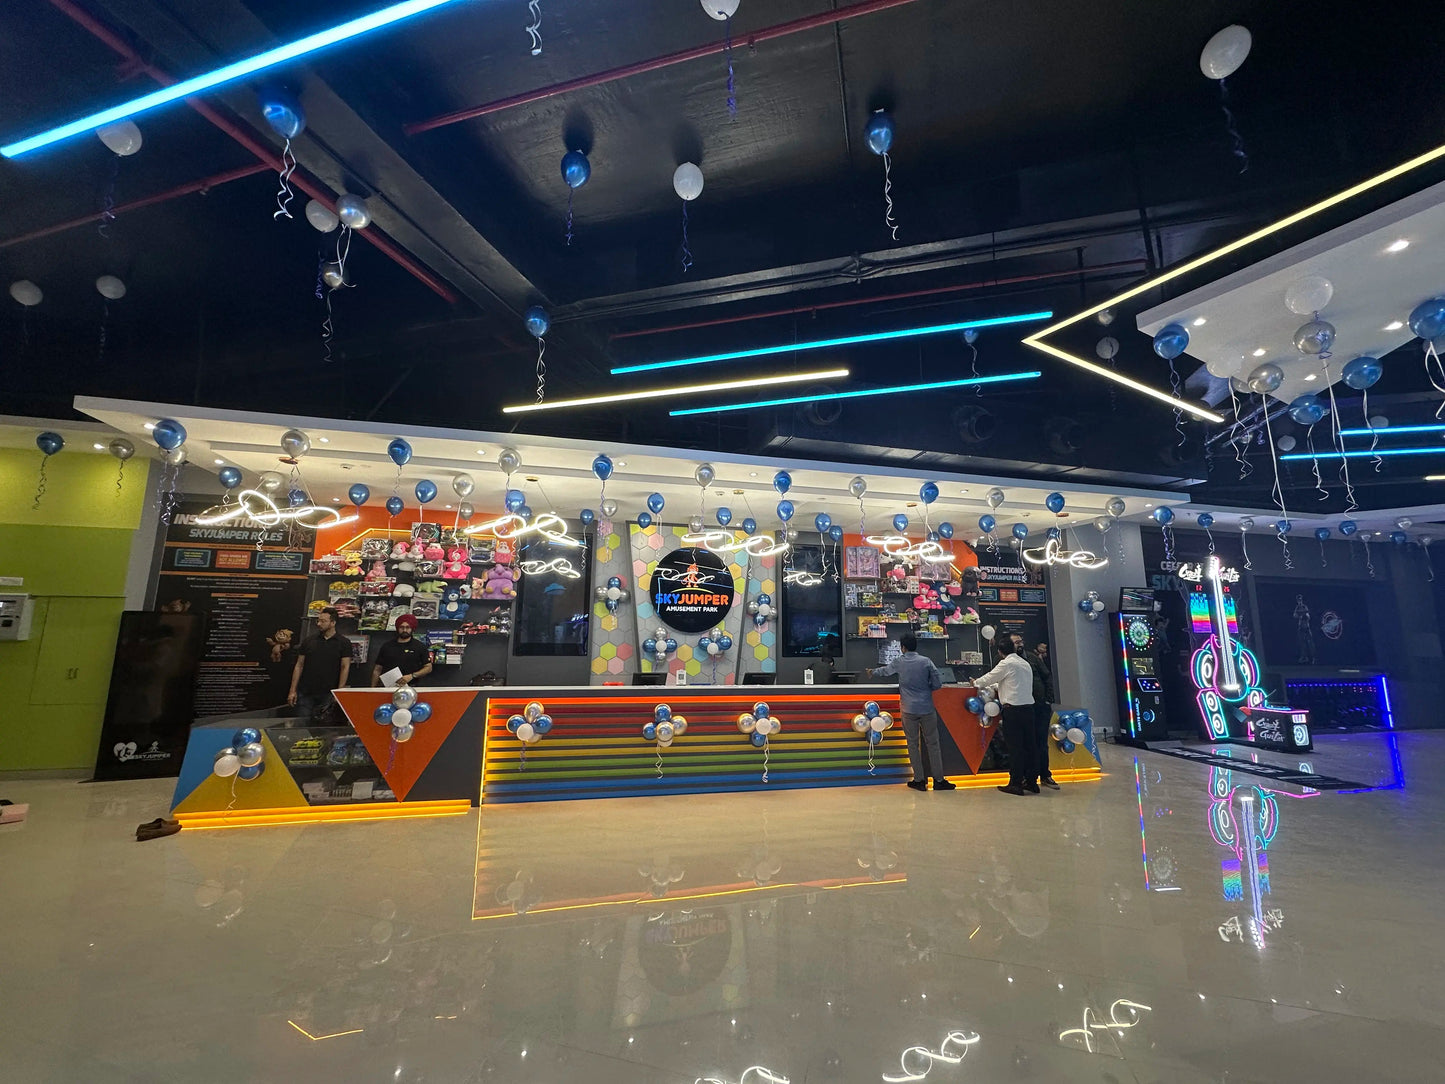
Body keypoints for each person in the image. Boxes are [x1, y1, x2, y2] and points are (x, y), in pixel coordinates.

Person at [869, 632, 956, 792]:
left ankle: (919, 780)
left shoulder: (899, 662)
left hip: (908, 709)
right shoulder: (926, 661)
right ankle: (939, 780)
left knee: (913, 744)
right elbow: (937, 684)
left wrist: (872, 672)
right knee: (933, 744)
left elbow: (885, 671)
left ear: (903, 648)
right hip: (927, 708)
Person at [973, 638, 1038, 795]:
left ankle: (1015, 783)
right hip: (1029, 709)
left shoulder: (1006, 663)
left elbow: (990, 677)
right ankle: (1031, 782)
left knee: (1015, 748)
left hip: (1013, 711)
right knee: (1030, 747)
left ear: (1000, 652)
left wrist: (976, 683)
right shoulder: (1024, 663)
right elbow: (1010, 682)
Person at [288, 607, 351, 723]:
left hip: (328, 692)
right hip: (306, 691)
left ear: (333, 623)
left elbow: (345, 667)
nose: (319, 624)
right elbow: (299, 665)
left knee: (325, 728)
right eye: (318, 620)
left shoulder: (344, 643)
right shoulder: (309, 641)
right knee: (302, 725)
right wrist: (292, 690)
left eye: (323, 621)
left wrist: (339, 692)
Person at [1013, 634, 1058, 790]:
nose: (1019, 644)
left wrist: (1048, 699)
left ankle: (1045, 775)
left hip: (1040, 706)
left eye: (1020, 641)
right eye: (1015, 642)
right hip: (1023, 707)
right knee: (1026, 743)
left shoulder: (1033, 658)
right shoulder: (1005, 661)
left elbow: (1047, 677)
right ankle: (1028, 777)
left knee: (1041, 743)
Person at [371, 614, 434, 688]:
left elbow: (428, 668)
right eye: (402, 627)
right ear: (397, 628)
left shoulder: (420, 647)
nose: (404, 630)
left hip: (411, 688)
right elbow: (377, 670)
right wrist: (372, 689)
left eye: (408, 627)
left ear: (412, 628)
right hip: (387, 687)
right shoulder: (387, 646)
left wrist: (412, 676)